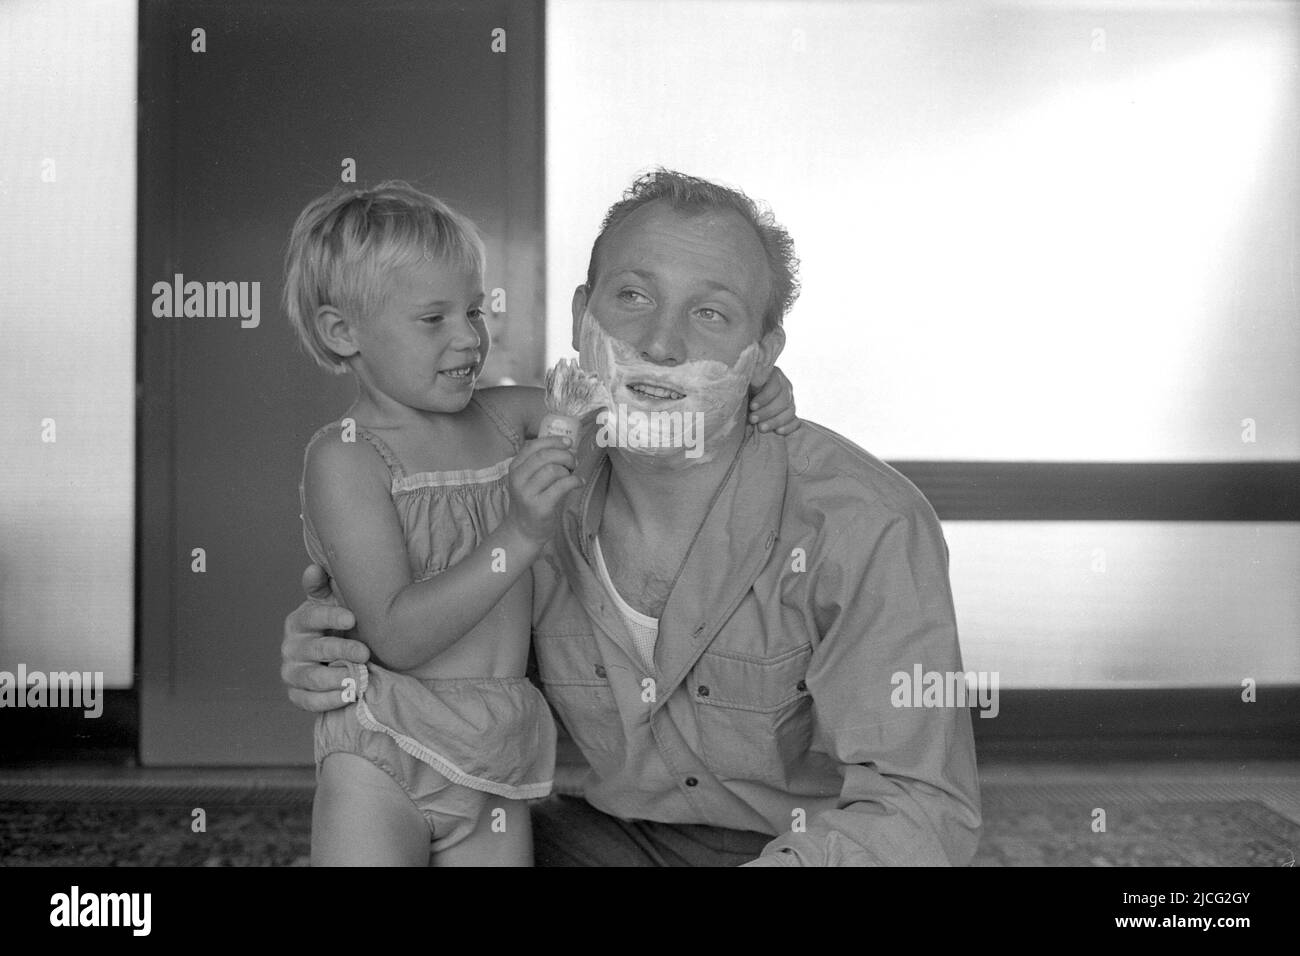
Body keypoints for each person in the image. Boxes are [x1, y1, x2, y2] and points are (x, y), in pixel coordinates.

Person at [282, 169, 981, 866]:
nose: (661, 344)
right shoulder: (524, 484)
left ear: (761, 355)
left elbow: (919, 811)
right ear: (583, 313)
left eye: (711, 314)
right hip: (607, 837)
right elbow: (432, 625)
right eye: (633, 296)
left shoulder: (866, 524)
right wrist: (341, 643)